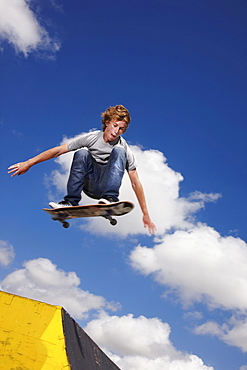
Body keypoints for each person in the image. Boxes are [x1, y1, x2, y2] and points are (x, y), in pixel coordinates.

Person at [8, 105, 156, 234]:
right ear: (106, 122)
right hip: (89, 184)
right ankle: (71, 202)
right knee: (82, 152)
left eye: (122, 129)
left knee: (119, 151)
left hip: (106, 187)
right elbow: (58, 151)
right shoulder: (91, 138)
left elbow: (135, 182)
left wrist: (145, 213)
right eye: (115, 125)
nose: (117, 131)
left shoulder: (124, 147)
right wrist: (29, 162)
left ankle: (110, 198)